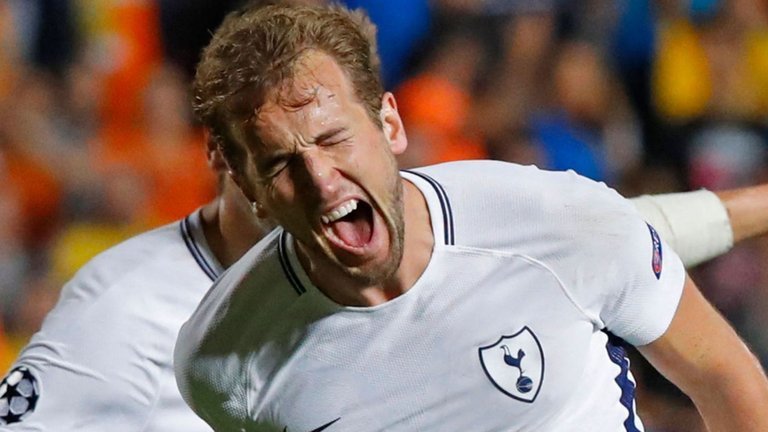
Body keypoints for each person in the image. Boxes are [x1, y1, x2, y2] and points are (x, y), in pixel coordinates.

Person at [173, 3, 768, 432]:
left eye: (335, 138)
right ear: (247, 187)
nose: (321, 181)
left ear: (390, 125)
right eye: (279, 163)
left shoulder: (554, 219)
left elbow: (723, 375)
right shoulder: (223, 364)